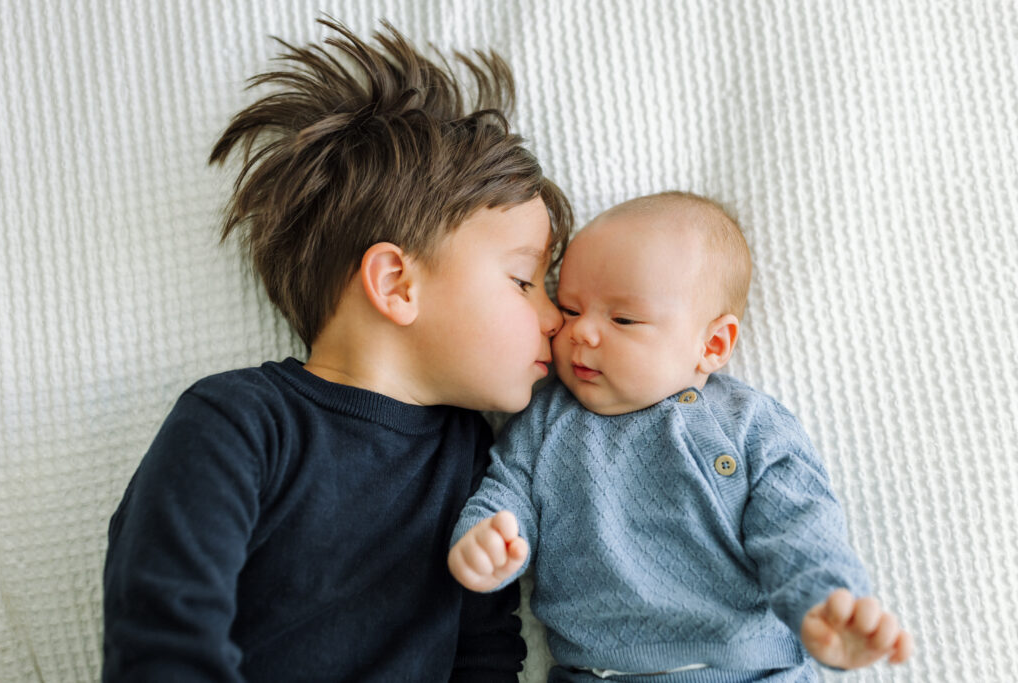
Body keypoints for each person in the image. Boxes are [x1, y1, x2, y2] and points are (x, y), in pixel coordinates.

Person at [102, 17, 573, 683]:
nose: (556, 318)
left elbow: (485, 654)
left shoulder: (471, 457)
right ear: (397, 284)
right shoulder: (237, 424)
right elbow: (163, 632)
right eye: (524, 281)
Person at [448, 191, 913, 682]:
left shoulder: (748, 425)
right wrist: (484, 538)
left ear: (712, 344)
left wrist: (825, 602)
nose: (582, 333)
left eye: (623, 319)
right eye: (570, 308)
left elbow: (799, 525)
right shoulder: (545, 422)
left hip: (750, 669)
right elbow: (505, 492)